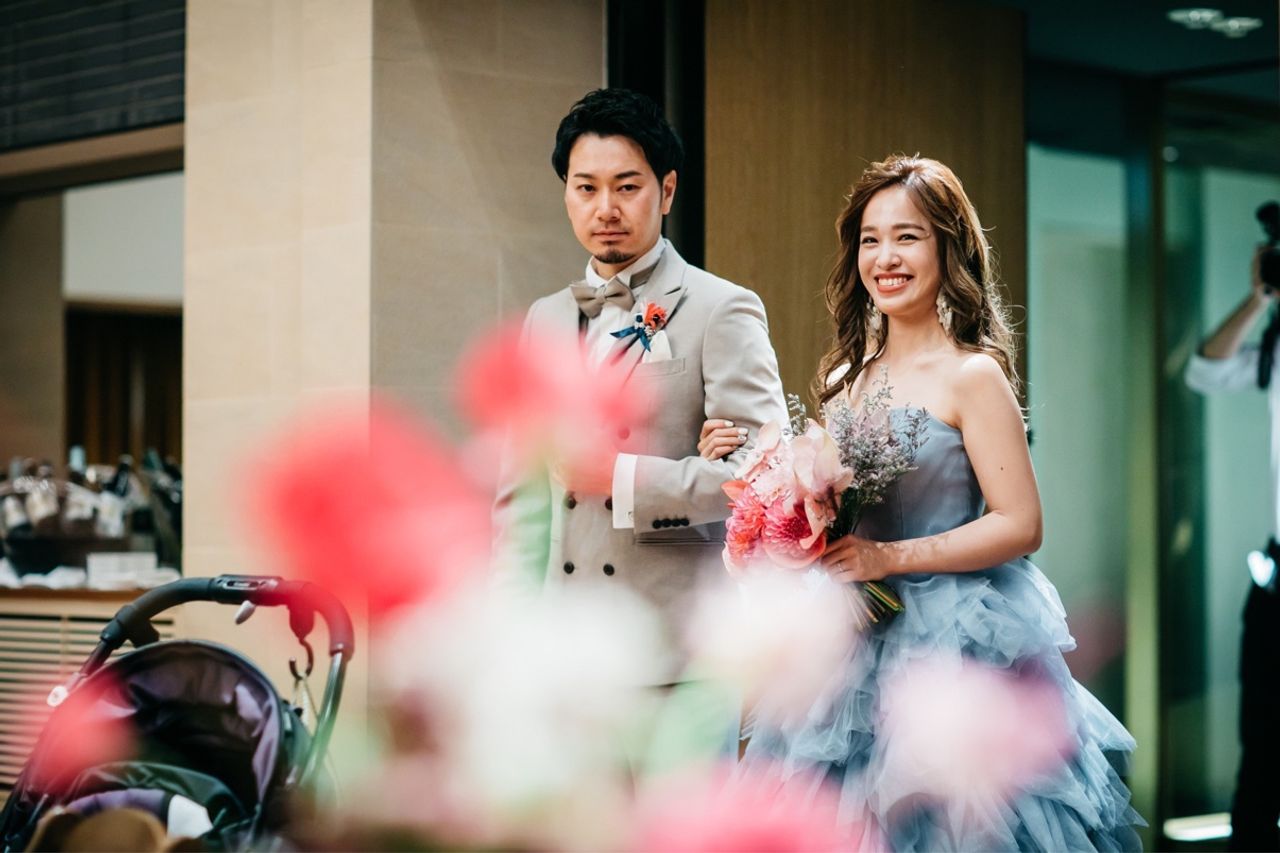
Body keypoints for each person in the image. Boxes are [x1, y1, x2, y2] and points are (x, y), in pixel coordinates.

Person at [699, 155, 1143, 850]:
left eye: (907, 237)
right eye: (870, 240)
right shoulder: (847, 378)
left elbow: (1021, 524)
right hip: (851, 644)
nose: (885, 258)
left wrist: (888, 557)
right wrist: (765, 489)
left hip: (955, 642)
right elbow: (825, 505)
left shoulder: (974, 375)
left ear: (947, 247)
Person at [493, 88, 786, 717]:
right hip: (562, 659)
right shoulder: (543, 319)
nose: (606, 208)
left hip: (675, 655)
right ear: (567, 194)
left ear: (667, 190)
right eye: (586, 188)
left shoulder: (722, 308)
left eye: (627, 187)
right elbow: (521, 498)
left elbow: (765, 476)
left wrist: (622, 479)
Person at [1184, 244, 1280, 853]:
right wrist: (1260, 298)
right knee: (1263, 739)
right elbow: (1205, 372)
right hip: (1277, 573)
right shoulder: (1276, 346)